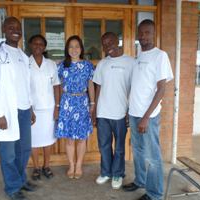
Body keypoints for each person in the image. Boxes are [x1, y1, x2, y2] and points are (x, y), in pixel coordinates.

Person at [0, 16, 36, 200]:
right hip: (6, 112)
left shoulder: (22, 55)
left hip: (24, 110)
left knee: (24, 149)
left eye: (18, 27)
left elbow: (27, 85)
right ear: (4, 29)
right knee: (9, 153)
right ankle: (12, 188)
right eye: (11, 26)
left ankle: (20, 180)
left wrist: (31, 108)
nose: (15, 30)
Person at [122, 19, 173, 200]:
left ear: (154, 34)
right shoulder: (139, 56)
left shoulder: (160, 56)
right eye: (141, 33)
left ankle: (155, 194)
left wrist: (145, 117)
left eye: (147, 33)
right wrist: (130, 112)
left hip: (148, 117)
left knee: (152, 156)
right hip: (135, 113)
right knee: (138, 150)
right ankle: (140, 180)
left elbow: (161, 89)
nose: (143, 36)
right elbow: (137, 87)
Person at [93, 32, 134, 189]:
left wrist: (129, 111)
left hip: (120, 113)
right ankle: (105, 172)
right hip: (103, 112)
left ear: (118, 41)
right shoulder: (103, 64)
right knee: (103, 145)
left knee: (119, 147)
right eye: (104, 43)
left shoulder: (130, 62)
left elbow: (133, 88)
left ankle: (117, 174)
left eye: (110, 42)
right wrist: (95, 110)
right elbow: (98, 88)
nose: (107, 46)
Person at [55, 35, 95, 179]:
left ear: (81, 49)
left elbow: (91, 85)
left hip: (82, 102)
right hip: (67, 103)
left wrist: (92, 103)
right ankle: (71, 165)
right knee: (70, 138)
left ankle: (79, 166)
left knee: (82, 137)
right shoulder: (61, 66)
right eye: (71, 46)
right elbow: (58, 87)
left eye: (77, 46)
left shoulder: (88, 65)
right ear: (67, 49)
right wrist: (58, 105)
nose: (74, 49)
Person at [28, 34, 60, 180]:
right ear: (30, 45)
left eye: (41, 44)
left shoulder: (51, 64)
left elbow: (56, 86)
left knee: (47, 139)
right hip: (32, 109)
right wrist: (29, 109)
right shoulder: (25, 64)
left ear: (44, 47)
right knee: (33, 140)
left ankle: (46, 166)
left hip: (48, 108)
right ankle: (35, 167)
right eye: (35, 44)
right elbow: (23, 88)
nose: (38, 46)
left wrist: (57, 107)